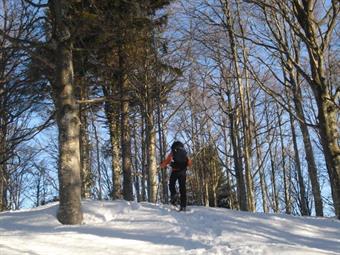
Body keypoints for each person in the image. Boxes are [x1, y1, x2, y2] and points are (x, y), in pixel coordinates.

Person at [160, 141, 192, 211]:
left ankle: (174, 196)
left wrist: (161, 165)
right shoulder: (185, 153)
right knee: (182, 188)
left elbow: (166, 162)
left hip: (175, 171)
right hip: (183, 172)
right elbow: (189, 163)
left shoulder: (173, 152)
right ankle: (183, 206)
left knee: (171, 184)